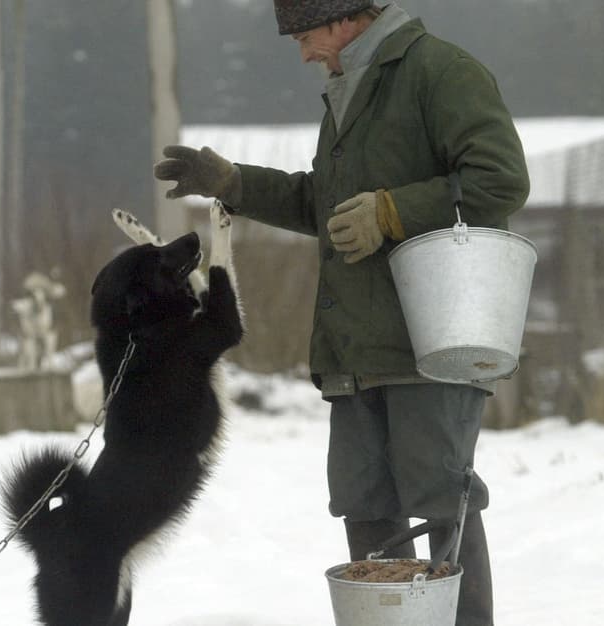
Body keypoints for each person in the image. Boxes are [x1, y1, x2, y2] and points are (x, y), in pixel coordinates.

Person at [153, 2, 529, 624]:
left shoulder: (441, 73)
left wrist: (392, 213)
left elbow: (500, 181)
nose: (302, 53)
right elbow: (322, 204)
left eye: (305, 36)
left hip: (431, 340)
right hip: (355, 347)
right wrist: (232, 181)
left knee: (443, 504)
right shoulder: (349, 84)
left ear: (345, 15)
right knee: (364, 505)